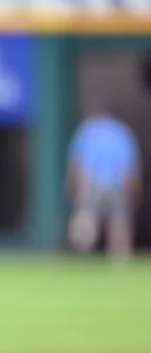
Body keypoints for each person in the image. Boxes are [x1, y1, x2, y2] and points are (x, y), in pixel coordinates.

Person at [66, 106, 142, 260]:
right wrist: (136, 188)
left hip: (91, 183)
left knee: (87, 217)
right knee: (119, 221)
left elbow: (76, 162)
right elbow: (131, 165)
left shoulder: (88, 129)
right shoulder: (121, 131)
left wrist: (71, 184)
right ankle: (119, 257)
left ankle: (82, 252)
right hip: (117, 184)